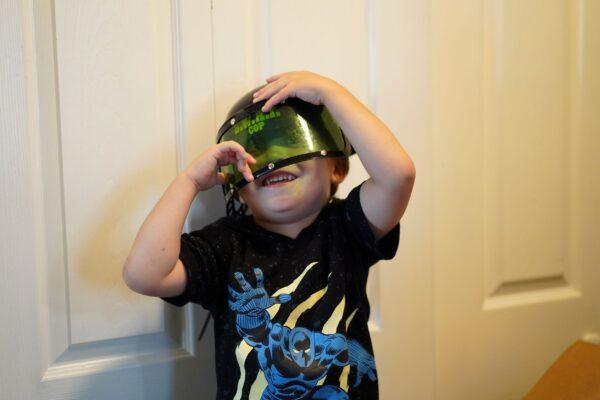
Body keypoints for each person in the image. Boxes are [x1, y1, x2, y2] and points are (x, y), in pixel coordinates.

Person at [122, 70, 415, 400]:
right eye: (256, 154)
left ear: (336, 167)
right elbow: (143, 274)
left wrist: (330, 93)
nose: (274, 161)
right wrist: (189, 182)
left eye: (292, 142)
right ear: (238, 190)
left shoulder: (348, 227)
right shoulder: (223, 245)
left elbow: (398, 175)